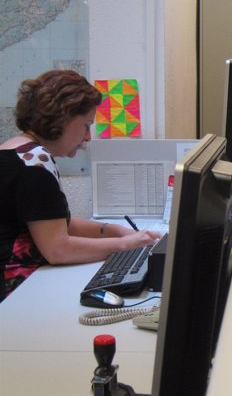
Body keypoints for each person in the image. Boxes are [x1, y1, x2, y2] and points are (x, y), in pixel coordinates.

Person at [0, 70, 161, 302]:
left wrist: (110, 231)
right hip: (14, 295)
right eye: (86, 125)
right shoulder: (34, 162)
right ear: (62, 118)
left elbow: (54, 223)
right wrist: (125, 244)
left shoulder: (17, 150)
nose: (88, 137)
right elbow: (58, 249)